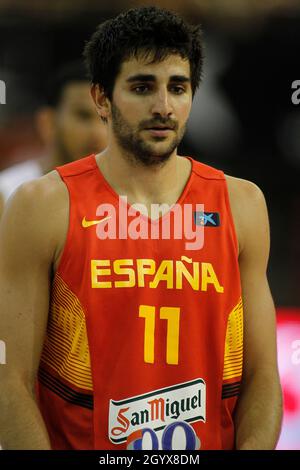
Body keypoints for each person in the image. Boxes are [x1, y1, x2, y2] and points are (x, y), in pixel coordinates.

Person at [0, 6, 282, 450]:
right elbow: (9, 380)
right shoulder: (42, 205)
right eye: (142, 87)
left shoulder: (242, 203)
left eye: (178, 87)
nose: (163, 106)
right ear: (101, 99)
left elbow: (263, 376)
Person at [0, 60, 107, 217]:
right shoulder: (7, 194)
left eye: (107, 119)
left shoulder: (134, 197)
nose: (98, 133)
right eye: (83, 116)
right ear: (48, 123)